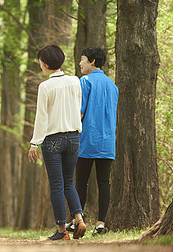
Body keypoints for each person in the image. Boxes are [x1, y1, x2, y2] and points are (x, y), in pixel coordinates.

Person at [28, 44, 86, 240]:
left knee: (56, 185)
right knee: (69, 182)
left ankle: (61, 231)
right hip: (74, 137)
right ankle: (78, 218)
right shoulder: (75, 81)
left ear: (45, 64)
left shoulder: (45, 86)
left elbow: (41, 117)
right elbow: (78, 106)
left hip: (53, 139)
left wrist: (34, 143)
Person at [72, 46, 118, 235]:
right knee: (104, 182)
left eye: (83, 59)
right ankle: (101, 224)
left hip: (88, 139)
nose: (80, 63)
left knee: (81, 181)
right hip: (107, 141)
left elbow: (80, 112)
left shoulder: (86, 81)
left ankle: (77, 221)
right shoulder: (112, 85)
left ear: (92, 61)